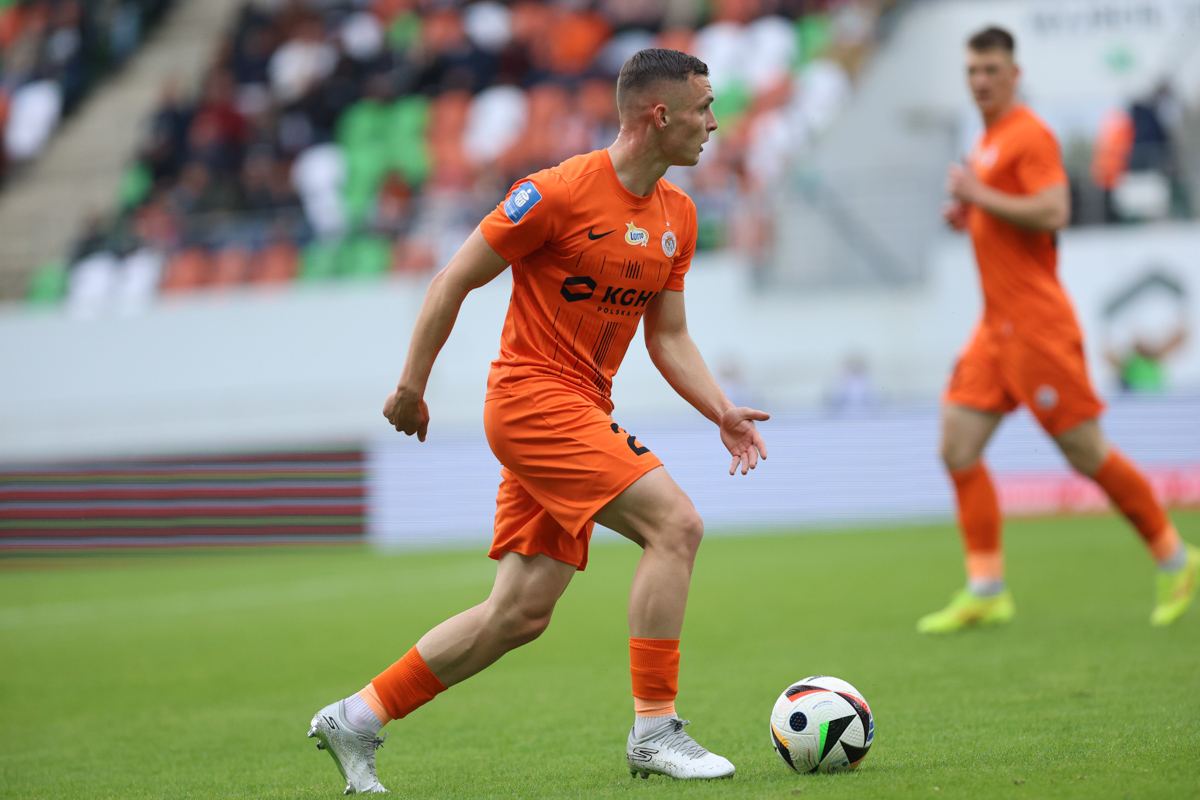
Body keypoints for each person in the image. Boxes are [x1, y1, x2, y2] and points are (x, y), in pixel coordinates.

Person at [307, 49, 769, 793]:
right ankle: (655, 729)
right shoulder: (555, 193)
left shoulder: (678, 216)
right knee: (676, 525)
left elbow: (669, 337)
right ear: (661, 115)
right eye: (705, 106)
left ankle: (357, 717)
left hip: (581, 407)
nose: (715, 122)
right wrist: (411, 386)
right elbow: (453, 279)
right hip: (532, 399)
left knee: (519, 613)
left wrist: (722, 411)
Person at [921, 27, 1198, 634]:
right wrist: (971, 213)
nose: (981, 81)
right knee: (957, 446)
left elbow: (1055, 210)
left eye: (992, 69)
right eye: (973, 71)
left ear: (1015, 75)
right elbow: (1008, 216)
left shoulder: (1029, 133)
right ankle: (987, 590)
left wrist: (979, 195)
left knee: (1086, 452)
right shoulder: (988, 141)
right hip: (995, 327)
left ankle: (1177, 558)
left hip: (1036, 327)